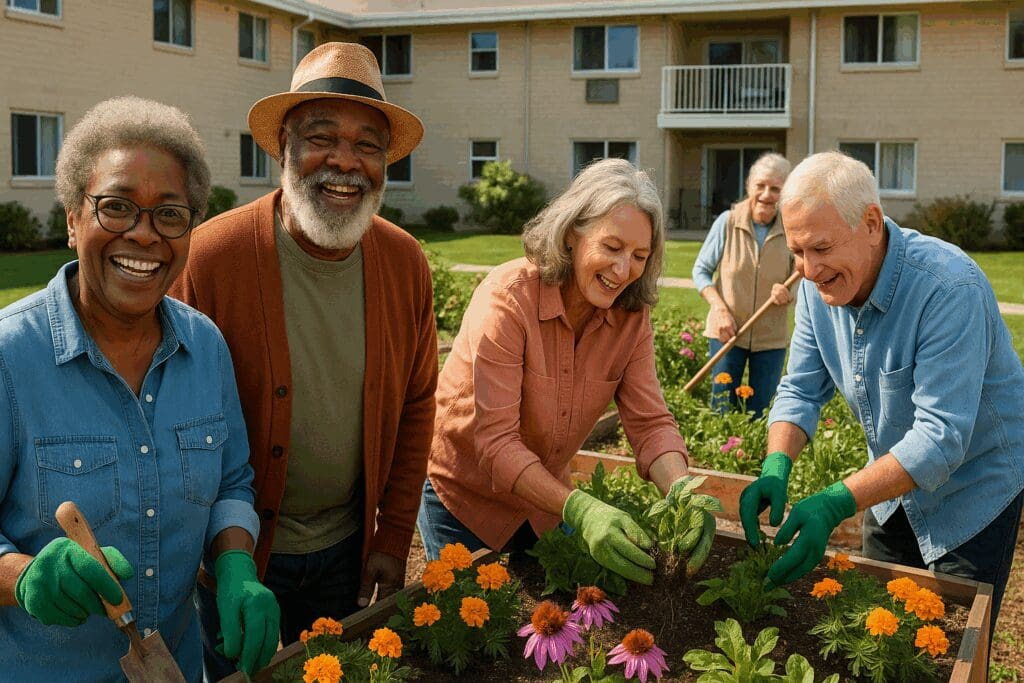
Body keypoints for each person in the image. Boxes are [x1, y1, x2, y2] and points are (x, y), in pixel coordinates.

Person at [169, 42, 436, 677]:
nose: (346, 162)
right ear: (282, 146)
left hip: (345, 550)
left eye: (369, 146)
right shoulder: (212, 257)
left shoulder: (404, 264)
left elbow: (420, 400)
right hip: (231, 559)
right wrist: (218, 558)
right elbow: (171, 411)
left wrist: (393, 533)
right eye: (322, 137)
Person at [0, 97, 278, 681]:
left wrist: (234, 562)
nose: (143, 235)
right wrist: (22, 577)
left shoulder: (206, 347)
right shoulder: (9, 359)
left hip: (174, 664)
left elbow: (231, 480)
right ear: (73, 217)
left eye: (169, 214)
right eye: (117, 207)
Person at [739, 151, 1024, 629]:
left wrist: (833, 502)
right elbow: (802, 389)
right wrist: (775, 463)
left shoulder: (948, 288)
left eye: (821, 248)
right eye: (797, 251)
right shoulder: (817, 286)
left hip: (976, 487)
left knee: (947, 644)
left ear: (871, 222)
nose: (807, 269)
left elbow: (939, 437)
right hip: (892, 483)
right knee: (878, 630)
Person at [420, 158, 691, 586]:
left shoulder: (631, 319)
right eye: (612, 247)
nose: (624, 271)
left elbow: (650, 423)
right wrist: (581, 509)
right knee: (471, 629)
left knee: (566, 623)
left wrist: (682, 494)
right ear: (571, 235)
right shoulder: (508, 300)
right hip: (464, 498)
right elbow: (497, 443)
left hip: (544, 502)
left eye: (639, 256)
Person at [692, 153, 797, 418]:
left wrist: (789, 292)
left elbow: (804, 275)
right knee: (722, 410)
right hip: (727, 332)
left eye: (775, 188)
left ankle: (753, 459)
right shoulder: (727, 222)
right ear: (749, 186)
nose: (766, 194)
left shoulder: (793, 229)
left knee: (761, 411)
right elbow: (701, 271)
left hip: (770, 339)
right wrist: (719, 309)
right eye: (760, 185)